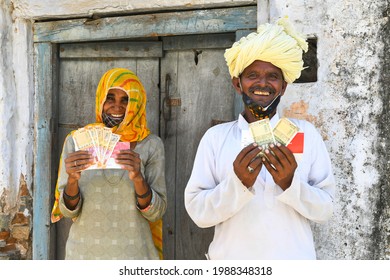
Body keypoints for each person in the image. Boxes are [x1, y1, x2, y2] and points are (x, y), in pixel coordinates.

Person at [184, 17, 335, 260]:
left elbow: (325, 209)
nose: (262, 83)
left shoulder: (305, 134)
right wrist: (238, 183)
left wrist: (289, 184)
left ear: (283, 87)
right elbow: (198, 213)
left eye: (272, 76)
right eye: (252, 75)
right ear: (237, 84)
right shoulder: (216, 138)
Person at [51, 68, 167, 260]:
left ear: (137, 104)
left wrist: (138, 178)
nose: (117, 106)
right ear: (101, 99)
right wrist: (72, 180)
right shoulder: (77, 141)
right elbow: (67, 210)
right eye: (110, 98)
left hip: (134, 257)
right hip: (83, 256)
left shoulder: (151, 144)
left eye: (126, 100)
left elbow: (156, 213)